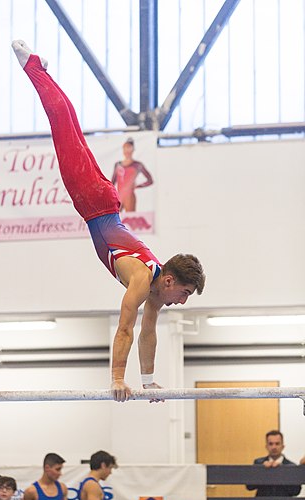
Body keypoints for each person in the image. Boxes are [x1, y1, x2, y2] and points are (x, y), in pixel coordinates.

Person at [11, 40, 206, 402]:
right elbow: (125, 329)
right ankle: (34, 68)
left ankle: (42, 70)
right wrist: (117, 378)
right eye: (184, 292)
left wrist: (148, 382)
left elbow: (148, 333)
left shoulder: (155, 290)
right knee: (62, 126)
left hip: (101, 202)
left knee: (69, 127)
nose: (182, 300)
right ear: (169, 279)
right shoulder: (140, 276)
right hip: (95, 202)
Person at [246, 430, 301, 500]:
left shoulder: (291, 466)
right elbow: (249, 486)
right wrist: (262, 471)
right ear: (266, 446)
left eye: (277, 444)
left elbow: (296, 491)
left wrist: (281, 472)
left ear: (283, 446)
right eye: (271, 444)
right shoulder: (258, 463)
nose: (274, 447)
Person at [111, 138, 154, 212]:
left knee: (130, 220)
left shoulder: (137, 165)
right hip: (119, 197)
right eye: (125, 147)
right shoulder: (118, 165)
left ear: (133, 149)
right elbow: (112, 182)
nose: (127, 150)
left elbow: (150, 180)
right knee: (115, 219)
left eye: (129, 148)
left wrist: (138, 186)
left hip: (130, 197)